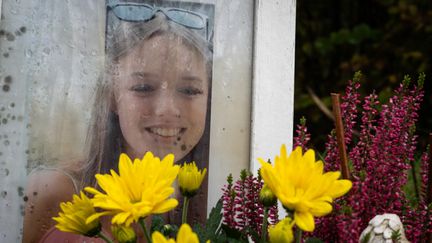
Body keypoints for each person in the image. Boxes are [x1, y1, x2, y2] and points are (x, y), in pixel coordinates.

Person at [22, 1, 213, 242]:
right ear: (113, 97)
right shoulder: (49, 193)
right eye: (143, 87)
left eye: (189, 90)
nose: (167, 109)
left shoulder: (204, 209)